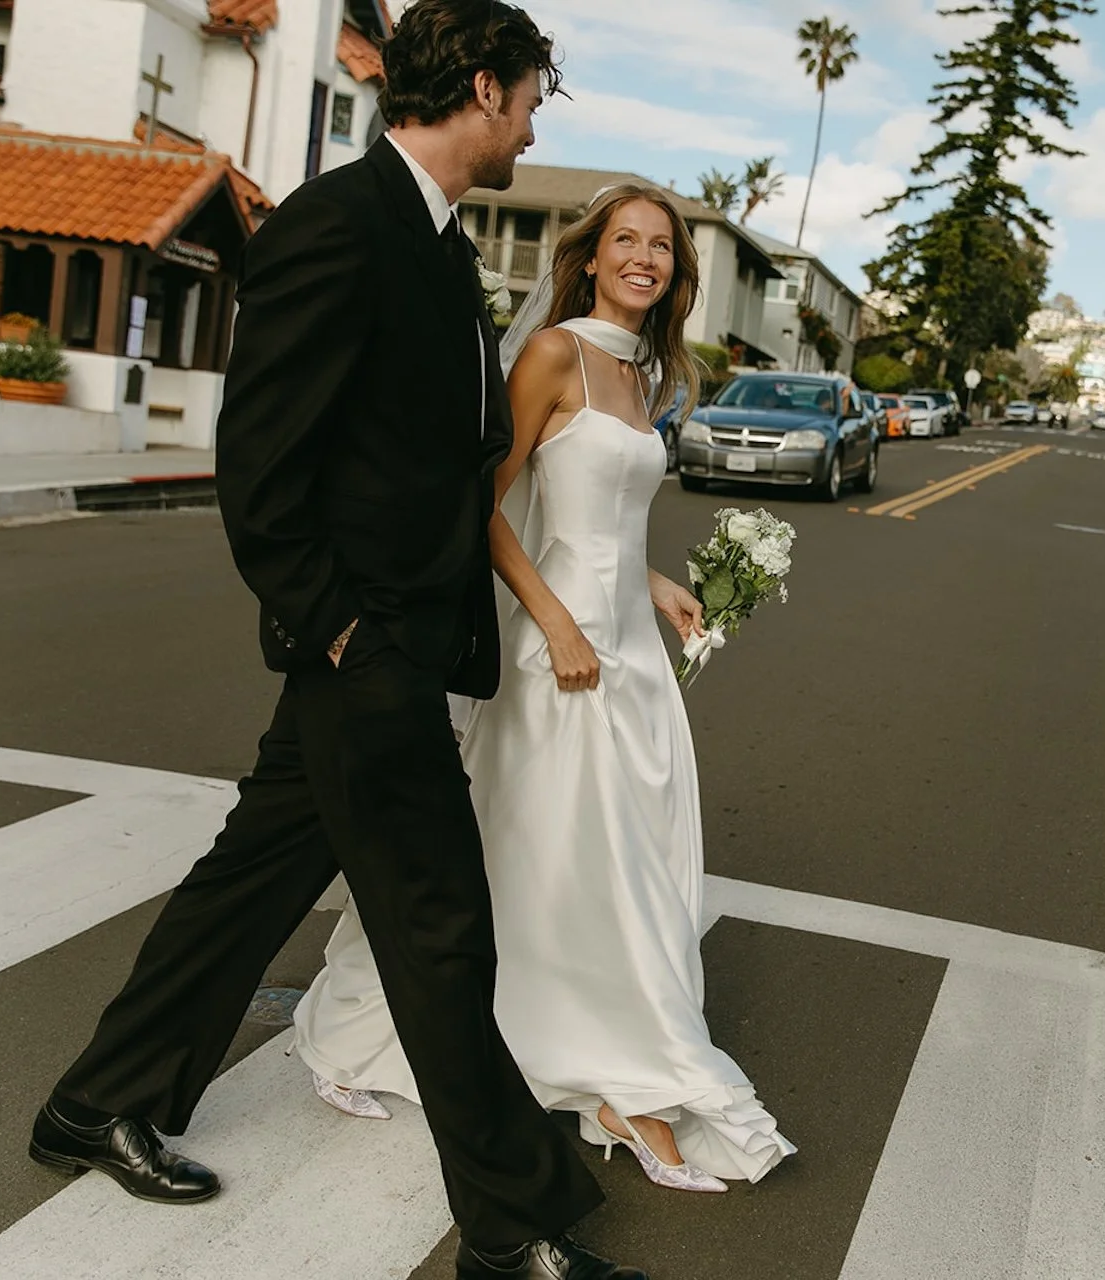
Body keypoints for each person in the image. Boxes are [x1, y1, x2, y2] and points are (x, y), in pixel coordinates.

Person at [25, 4, 644, 1277]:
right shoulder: (337, 223)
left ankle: (99, 1098)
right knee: (440, 924)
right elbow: (258, 463)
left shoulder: (427, 235)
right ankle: (514, 1226)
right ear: (482, 86)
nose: (533, 122)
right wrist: (342, 626)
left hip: (392, 638)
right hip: (369, 648)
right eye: (530, 99)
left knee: (250, 878)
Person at [292, 184, 795, 1195]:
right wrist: (560, 623)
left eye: (661, 246)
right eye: (628, 240)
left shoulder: (649, 371)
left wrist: (652, 586)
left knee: (610, 861)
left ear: (675, 274)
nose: (644, 257)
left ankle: (618, 1069)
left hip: (630, 654)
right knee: (547, 855)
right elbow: (487, 503)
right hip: (555, 651)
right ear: (593, 254)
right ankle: (595, 1078)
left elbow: (596, 513)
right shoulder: (555, 353)